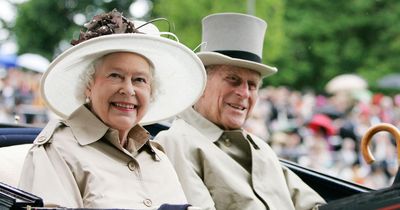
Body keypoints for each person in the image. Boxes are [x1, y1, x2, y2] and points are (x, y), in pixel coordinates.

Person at [18, 10, 206, 209]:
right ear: (89, 84)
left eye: (139, 80)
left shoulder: (159, 158)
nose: (128, 90)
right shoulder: (57, 150)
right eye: (115, 76)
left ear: (151, 91)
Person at [154, 13, 326, 210]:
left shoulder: (261, 149)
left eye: (252, 85)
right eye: (233, 79)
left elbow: (314, 205)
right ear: (200, 84)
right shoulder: (176, 142)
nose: (244, 93)